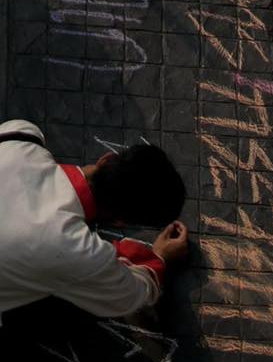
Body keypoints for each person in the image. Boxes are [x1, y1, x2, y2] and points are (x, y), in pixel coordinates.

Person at [0, 120, 188, 323]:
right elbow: (129, 296)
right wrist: (159, 257)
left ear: (106, 159)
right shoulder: (76, 251)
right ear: (120, 222)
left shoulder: (20, 135)